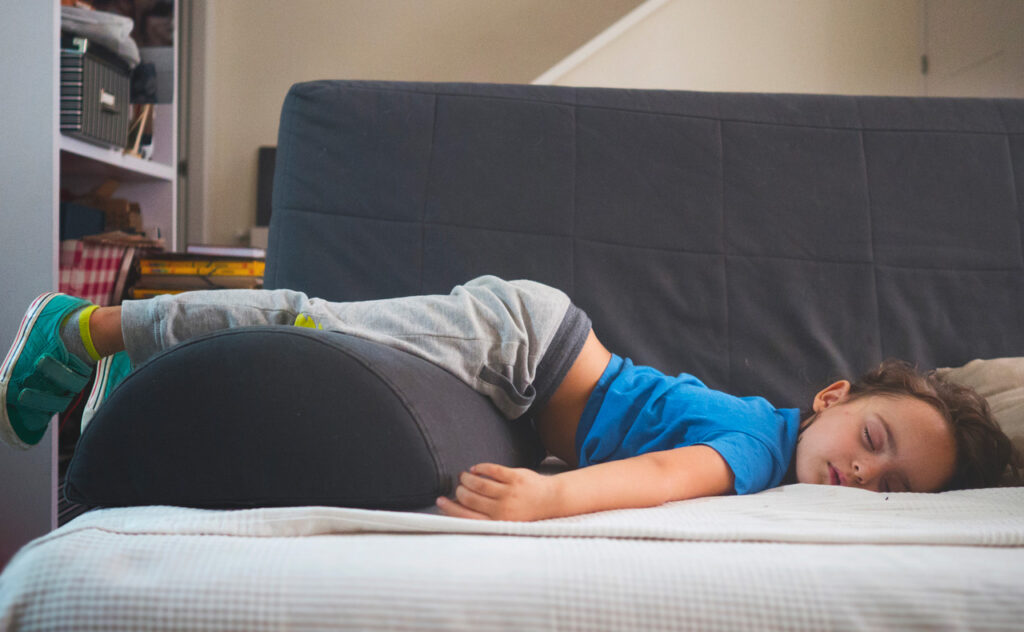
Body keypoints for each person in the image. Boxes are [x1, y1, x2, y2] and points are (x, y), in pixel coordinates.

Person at [2, 276, 1019, 522]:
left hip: (534, 365)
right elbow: (670, 468)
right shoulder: (759, 442)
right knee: (309, 321)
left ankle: (130, 365)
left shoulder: (781, 467)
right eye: (873, 438)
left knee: (310, 326)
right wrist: (547, 502)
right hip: (527, 345)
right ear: (832, 396)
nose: (860, 471)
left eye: (889, 487)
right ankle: (84, 326)